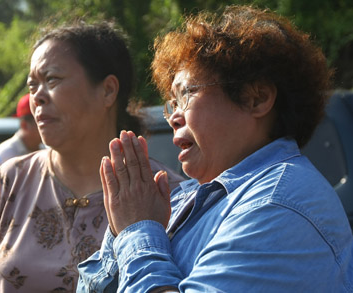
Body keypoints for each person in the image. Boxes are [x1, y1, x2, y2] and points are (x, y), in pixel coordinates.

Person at [77, 5, 353, 292]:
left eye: (186, 95)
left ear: (256, 98)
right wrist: (121, 227)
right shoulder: (186, 198)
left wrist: (137, 231)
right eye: (171, 103)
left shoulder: (277, 203)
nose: (172, 116)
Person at [0, 21, 183, 292]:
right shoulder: (11, 180)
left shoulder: (167, 194)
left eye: (52, 80)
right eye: (32, 85)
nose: (37, 97)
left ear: (108, 90)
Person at [0, 93, 43, 163]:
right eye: (40, 121)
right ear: (24, 125)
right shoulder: (6, 154)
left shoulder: (45, 149)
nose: (49, 126)